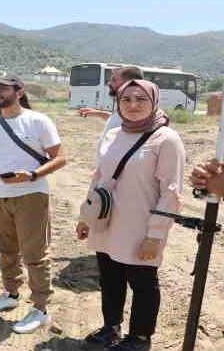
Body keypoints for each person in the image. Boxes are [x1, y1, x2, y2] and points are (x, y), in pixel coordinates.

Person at [76, 79, 185, 351]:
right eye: (126, 99)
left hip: (141, 227)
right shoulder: (114, 134)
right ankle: (111, 327)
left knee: (143, 283)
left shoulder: (166, 139)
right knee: (110, 278)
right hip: (106, 222)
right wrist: (85, 216)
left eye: (140, 99)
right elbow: (99, 178)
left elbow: (171, 191)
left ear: (154, 102)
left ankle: (139, 337)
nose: (133, 105)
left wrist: (155, 235)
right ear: (118, 103)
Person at [0, 75, 67, 334]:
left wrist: (33, 175)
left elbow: (60, 159)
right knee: (6, 251)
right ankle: (11, 295)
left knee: (35, 255)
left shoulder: (38, 121)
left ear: (19, 91)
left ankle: (40, 310)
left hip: (31, 196)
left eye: (2, 88)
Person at [78, 66, 144, 137]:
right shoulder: (126, 105)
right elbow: (118, 121)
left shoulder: (135, 109)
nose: (109, 83)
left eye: (114, 80)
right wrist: (97, 113)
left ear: (128, 83)